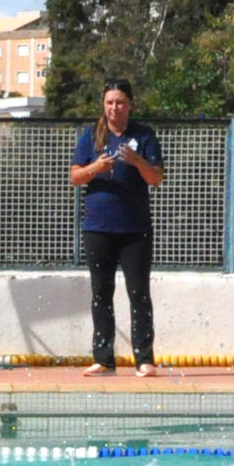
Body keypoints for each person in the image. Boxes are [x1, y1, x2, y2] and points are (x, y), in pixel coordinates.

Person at [68, 79, 164, 378]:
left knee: (138, 292)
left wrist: (136, 161)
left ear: (130, 104)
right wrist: (97, 167)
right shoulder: (92, 135)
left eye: (120, 102)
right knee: (101, 292)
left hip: (134, 228)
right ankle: (103, 357)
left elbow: (156, 178)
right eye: (109, 102)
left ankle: (144, 359)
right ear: (103, 105)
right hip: (98, 226)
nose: (114, 107)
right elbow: (76, 177)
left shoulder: (143, 135)